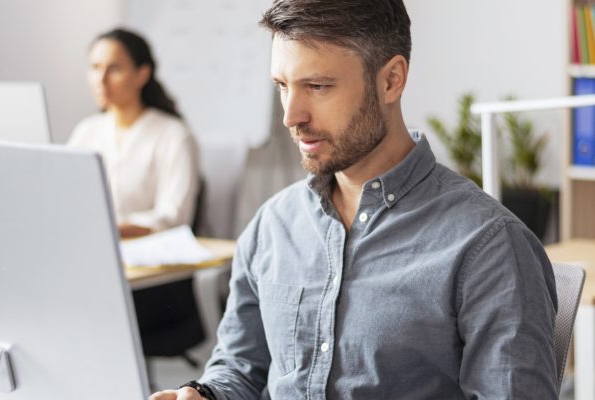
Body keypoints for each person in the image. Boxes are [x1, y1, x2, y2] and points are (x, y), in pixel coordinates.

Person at [150, 0, 558, 399]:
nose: (291, 115)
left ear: (391, 80)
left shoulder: (488, 245)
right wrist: (205, 394)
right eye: (282, 87)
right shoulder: (273, 225)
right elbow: (240, 368)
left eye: (318, 86)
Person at [69, 28, 200, 238]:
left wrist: (116, 229)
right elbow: (68, 197)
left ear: (142, 74)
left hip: (149, 257)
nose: (101, 79)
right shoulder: (87, 131)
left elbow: (174, 215)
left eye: (114, 69)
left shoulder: (174, 135)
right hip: (91, 245)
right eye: (95, 68)